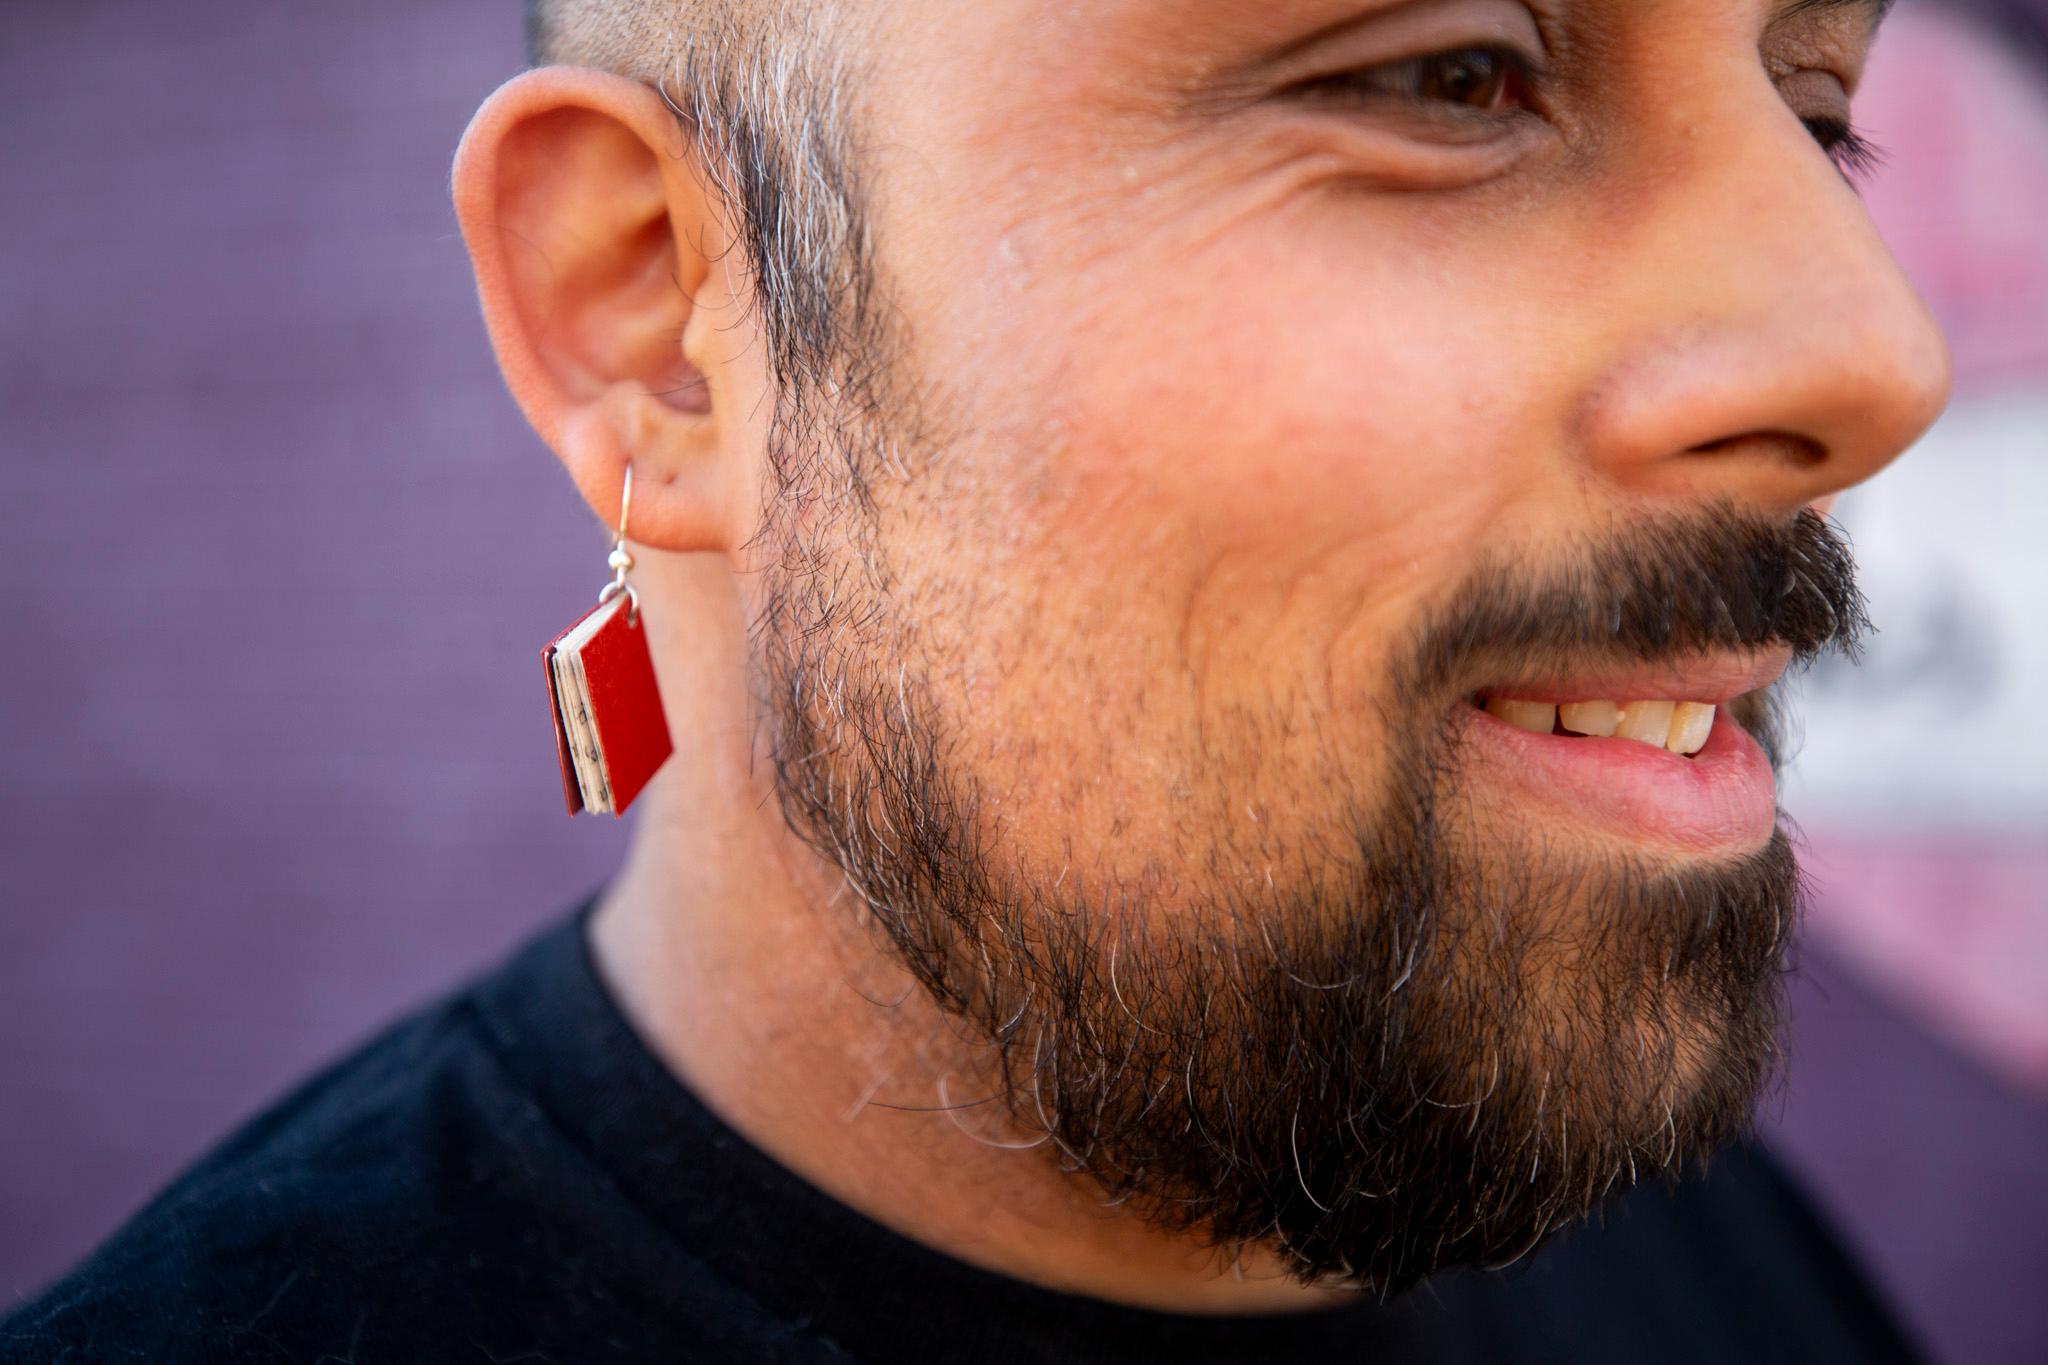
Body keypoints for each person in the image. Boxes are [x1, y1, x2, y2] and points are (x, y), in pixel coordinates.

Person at [0, 0, 1952, 1360]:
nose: (1871, 354)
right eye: (1453, 75)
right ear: (667, 316)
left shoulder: (1714, 1245)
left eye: (1811, 109)